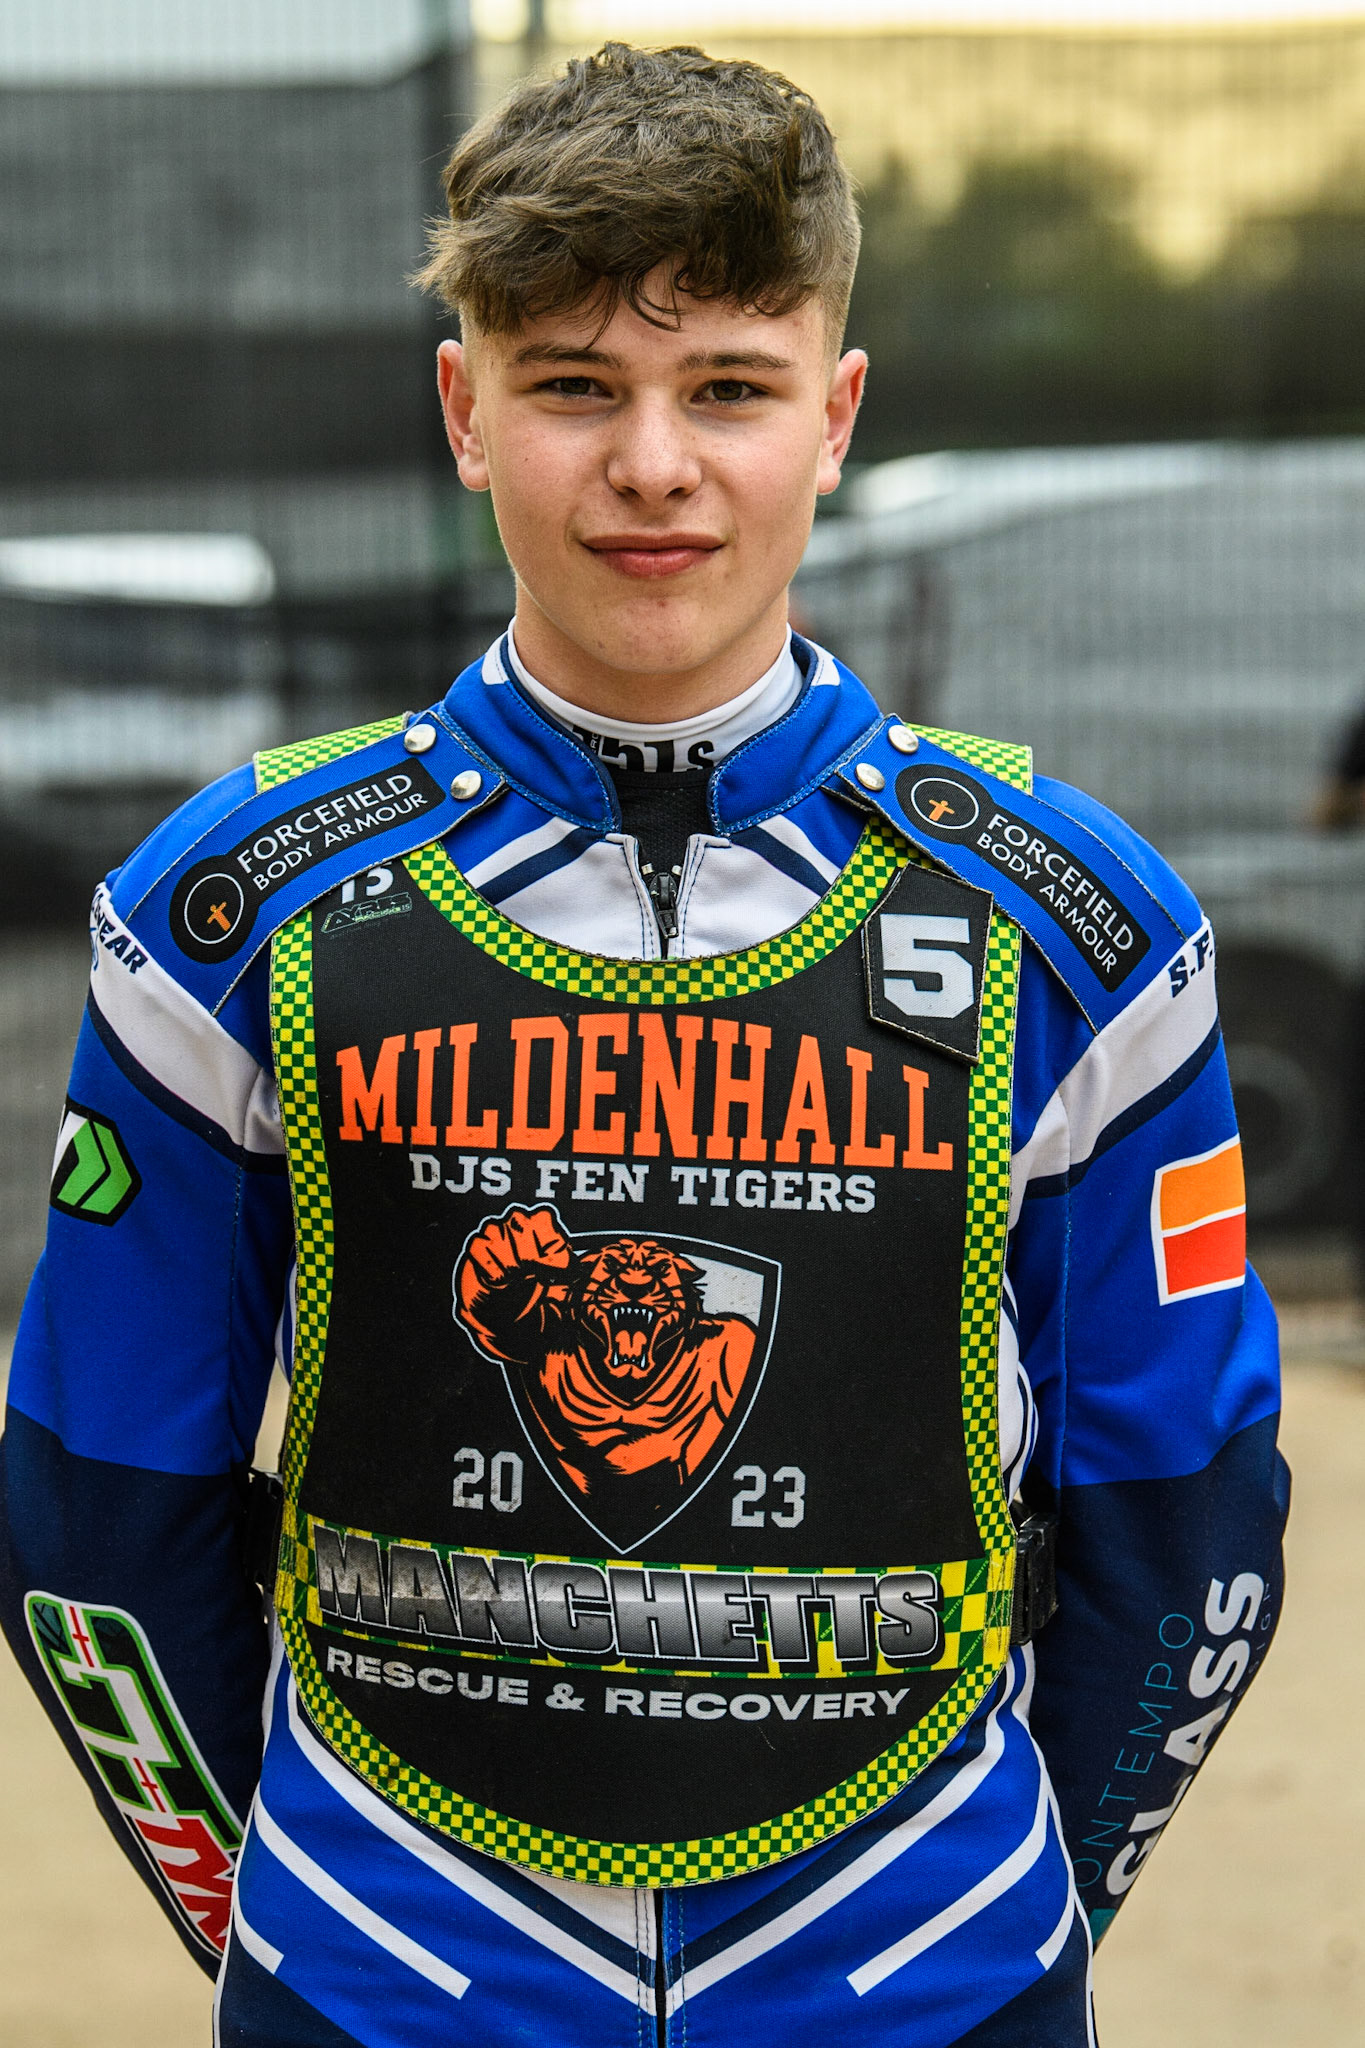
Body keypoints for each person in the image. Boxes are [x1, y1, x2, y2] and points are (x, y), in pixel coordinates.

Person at [0, 43, 1287, 2048]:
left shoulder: (1074, 921)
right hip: (387, 1968)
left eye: (732, 389)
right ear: (464, 409)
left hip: (923, 1968)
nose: (653, 463)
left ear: (834, 416)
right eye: (575, 384)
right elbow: (95, 1505)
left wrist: (1025, 1897)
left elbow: (1186, 1507)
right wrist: (290, 1907)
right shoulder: (229, 907)